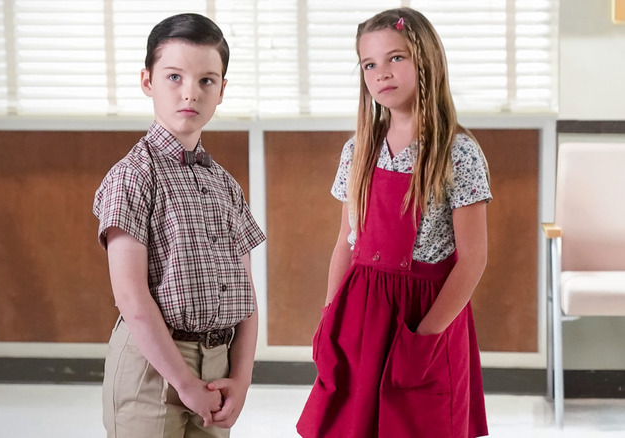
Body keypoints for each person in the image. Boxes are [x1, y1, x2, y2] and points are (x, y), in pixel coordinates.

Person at [297, 7, 490, 438]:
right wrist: (330, 314)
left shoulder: (457, 152)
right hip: (359, 312)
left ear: (426, 61)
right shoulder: (357, 150)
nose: (381, 72)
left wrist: (425, 336)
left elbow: (473, 258)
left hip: (422, 317)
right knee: (352, 424)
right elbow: (346, 242)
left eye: (396, 58)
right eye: (369, 64)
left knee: (419, 423)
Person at [92, 13, 265, 438]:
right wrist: (185, 384)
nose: (190, 92)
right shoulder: (133, 175)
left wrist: (241, 379)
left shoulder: (224, 184)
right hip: (152, 368)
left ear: (222, 90)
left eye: (207, 80)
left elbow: (245, 292)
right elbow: (131, 297)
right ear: (148, 81)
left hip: (218, 365)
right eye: (174, 77)